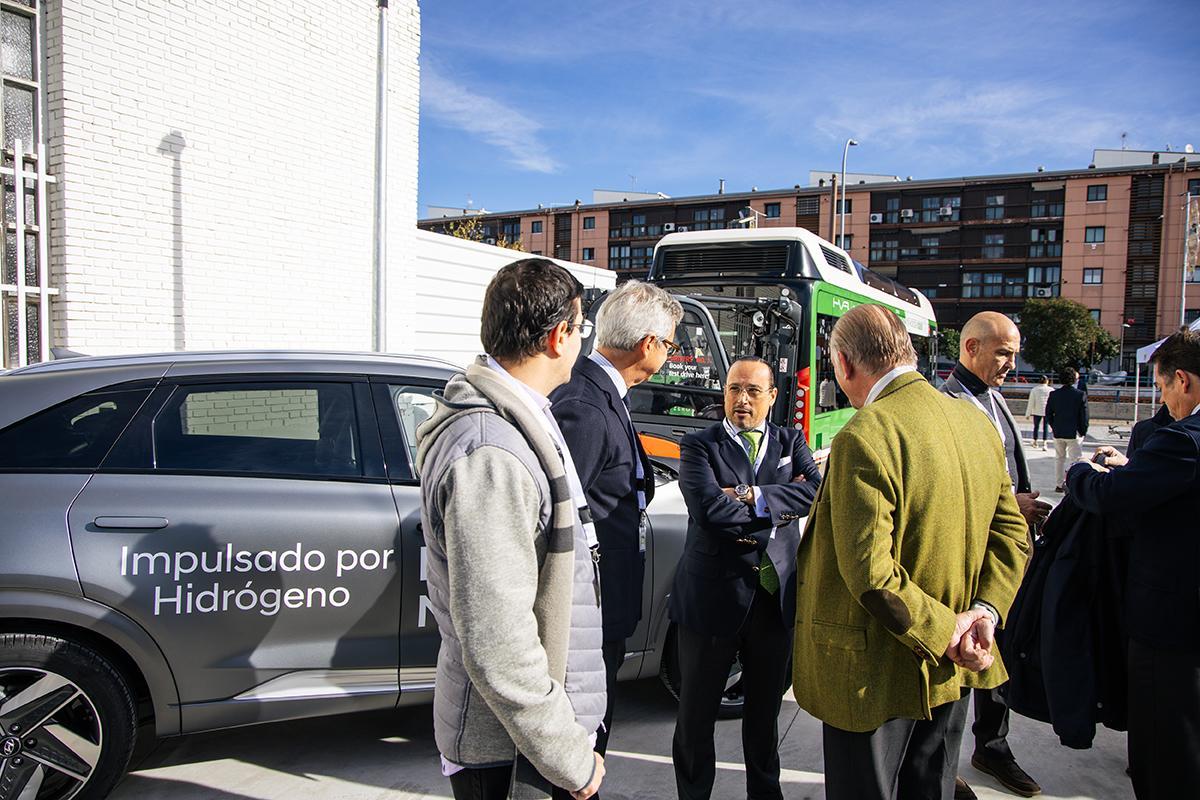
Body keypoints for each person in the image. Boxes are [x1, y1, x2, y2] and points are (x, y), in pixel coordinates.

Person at [792, 304, 1030, 800]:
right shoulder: (975, 423)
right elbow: (1013, 535)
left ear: (844, 365)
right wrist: (983, 614)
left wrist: (945, 632)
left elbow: (871, 573)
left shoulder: (866, 432)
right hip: (958, 666)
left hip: (875, 676)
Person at [416, 258, 605, 800]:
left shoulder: (515, 419)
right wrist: (569, 757)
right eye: (580, 330)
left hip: (519, 742)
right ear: (558, 336)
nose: (581, 343)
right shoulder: (491, 451)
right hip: (507, 752)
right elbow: (498, 643)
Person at [670, 356, 821, 800]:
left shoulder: (792, 439)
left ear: (772, 397)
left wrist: (749, 494)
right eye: (735, 389)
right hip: (712, 600)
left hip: (774, 603)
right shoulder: (699, 444)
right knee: (695, 718)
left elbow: (816, 492)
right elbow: (706, 508)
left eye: (754, 391)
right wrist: (779, 502)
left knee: (764, 719)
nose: (742, 399)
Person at [550, 280, 683, 760]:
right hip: (586, 616)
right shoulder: (585, 407)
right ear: (648, 345)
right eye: (669, 344)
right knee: (581, 746)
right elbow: (558, 520)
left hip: (603, 607)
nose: (669, 354)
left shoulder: (605, 393)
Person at [1066, 329, 1200, 800]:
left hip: (1172, 625)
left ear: (1181, 380)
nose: (1162, 399)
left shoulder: (1184, 440)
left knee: (1167, 748)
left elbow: (1109, 497)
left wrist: (1081, 471)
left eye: (1162, 388)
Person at [939, 311, 1048, 799]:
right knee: (966, 653)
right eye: (1002, 352)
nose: (1010, 362)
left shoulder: (994, 397)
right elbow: (946, 489)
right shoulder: (946, 404)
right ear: (971, 348)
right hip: (970, 554)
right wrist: (1010, 504)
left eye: (1014, 352)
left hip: (1006, 548)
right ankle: (945, 763)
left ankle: (992, 746)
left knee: (997, 649)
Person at [1046, 368, 1089, 492]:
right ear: (1074, 379)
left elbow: (1048, 413)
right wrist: (1082, 431)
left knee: (1059, 459)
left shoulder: (1054, 394)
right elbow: (1084, 416)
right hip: (1074, 432)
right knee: (1075, 460)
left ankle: (1059, 484)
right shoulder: (1080, 394)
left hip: (1058, 432)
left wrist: (1054, 426)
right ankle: (1072, 484)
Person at [1026, 374, 1052, 450]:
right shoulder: (1051, 390)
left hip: (1037, 411)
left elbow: (1031, 402)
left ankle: (1035, 442)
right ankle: (1044, 443)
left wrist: (1028, 413)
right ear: (1047, 381)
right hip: (1047, 411)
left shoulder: (1034, 389)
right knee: (1046, 427)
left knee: (1036, 427)